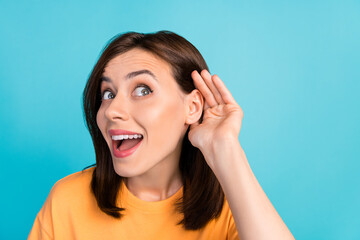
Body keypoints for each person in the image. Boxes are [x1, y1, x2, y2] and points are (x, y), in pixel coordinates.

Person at [28, 30, 295, 240]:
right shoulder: (67, 201)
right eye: (108, 94)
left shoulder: (232, 206)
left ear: (192, 108)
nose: (111, 111)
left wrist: (225, 147)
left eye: (142, 90)